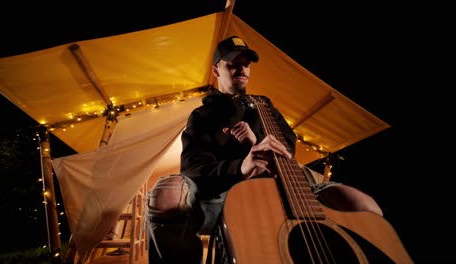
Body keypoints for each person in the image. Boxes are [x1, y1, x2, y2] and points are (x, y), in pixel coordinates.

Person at [146, 35, 383, 264]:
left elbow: (288, 148)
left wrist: (255, 140)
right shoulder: (201, 116)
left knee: (360, 204)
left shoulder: (264, 104)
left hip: (283, 186)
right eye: (233, 64)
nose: (243, 70)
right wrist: (242, 167)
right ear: (216, 70)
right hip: (222, 195)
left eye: (246, 65)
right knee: (167, 195)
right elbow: (194, 169)